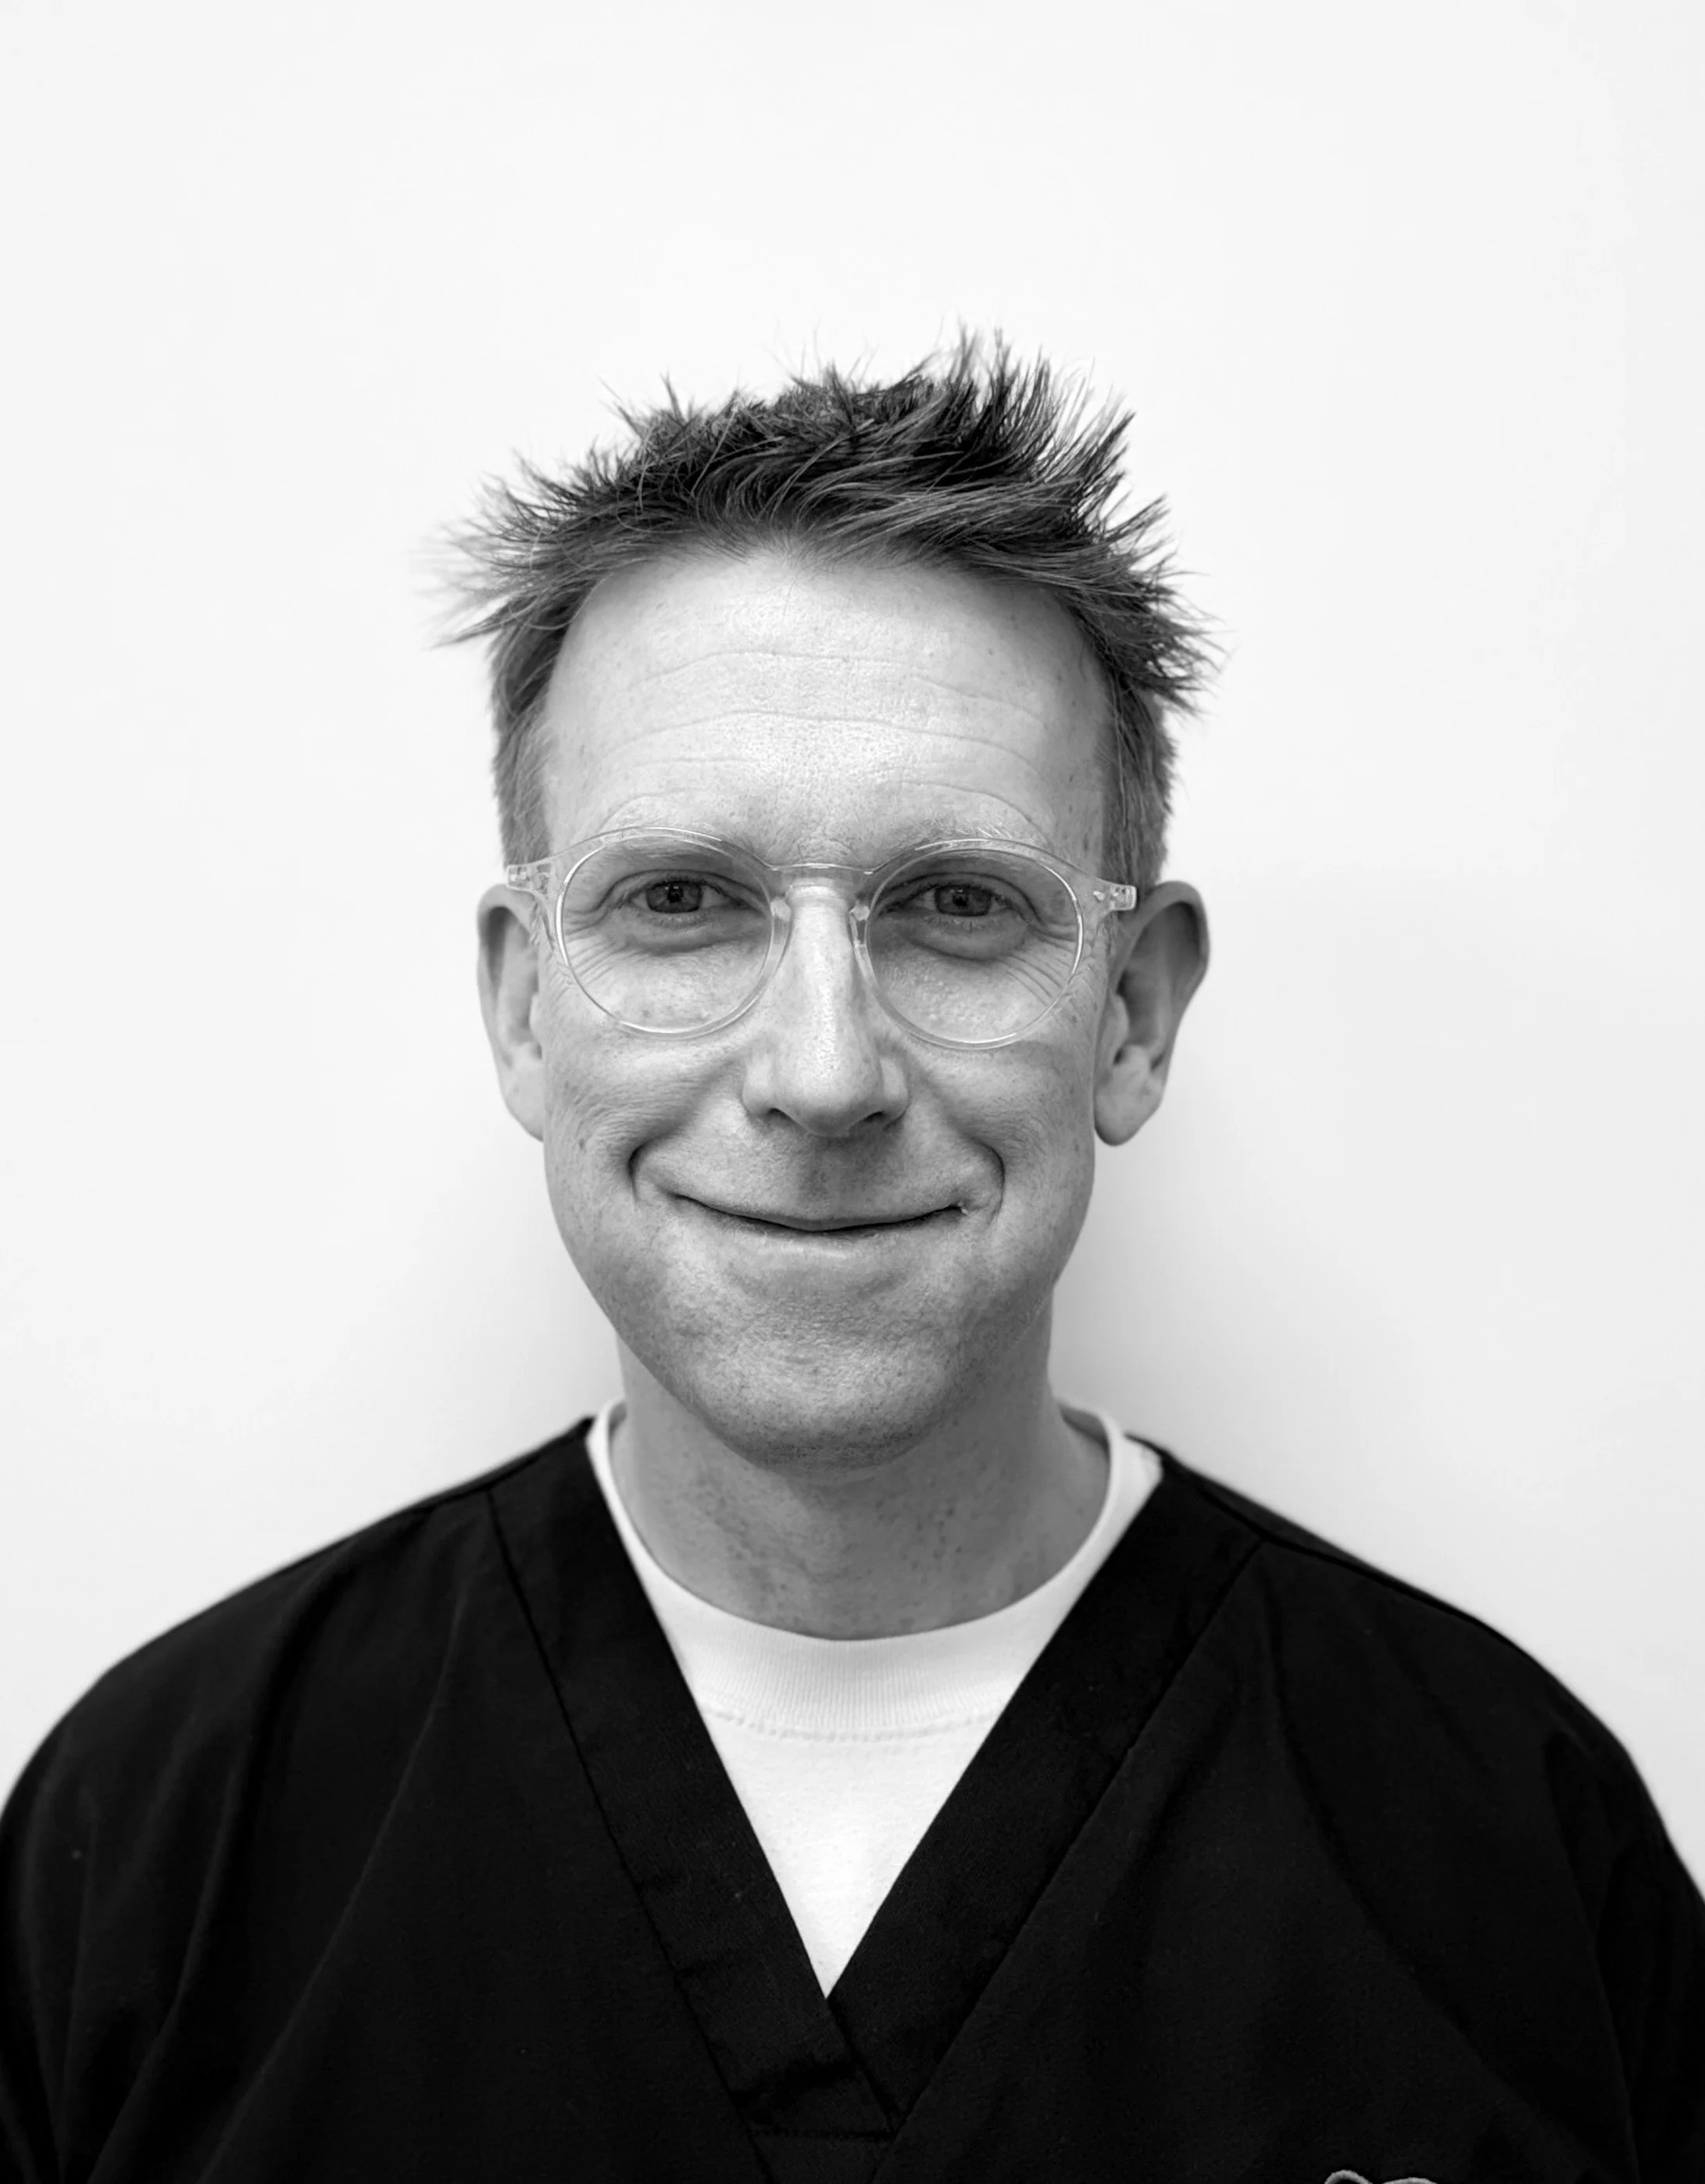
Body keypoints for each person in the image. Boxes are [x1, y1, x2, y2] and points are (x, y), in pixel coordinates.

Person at [2, 340, 1700, 2184]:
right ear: (520, 1006)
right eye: (681, 902)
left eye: (957, 905)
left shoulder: (1508, 1853)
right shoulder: (163, 1842)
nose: (820, 1071)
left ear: (1128, 1012)